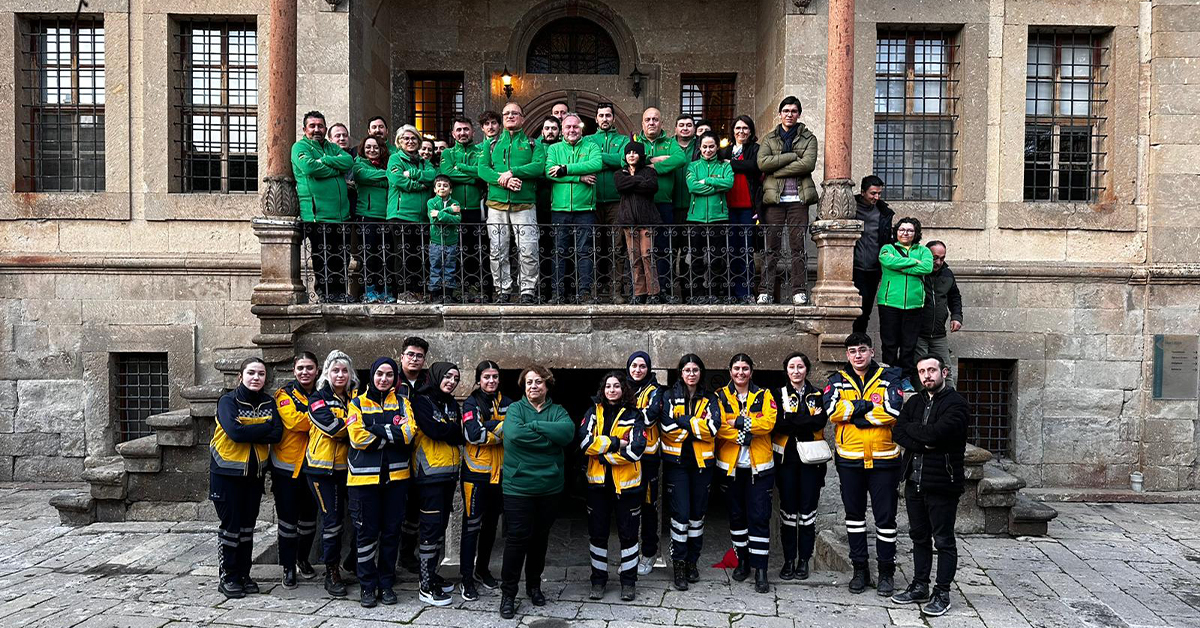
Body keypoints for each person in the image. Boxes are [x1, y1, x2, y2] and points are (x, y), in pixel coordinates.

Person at [823, 332, 904, 596]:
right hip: (850, 460)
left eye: (862, 350)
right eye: (853, 351)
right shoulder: (836, 380)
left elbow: (893, 411)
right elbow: (832, 411)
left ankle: (886, 573)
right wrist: (866, 406)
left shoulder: (889, 377)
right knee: (855, 518)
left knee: (886, 519)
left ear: (872, 351)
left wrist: (856, 415)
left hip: (884, 460)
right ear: (847, 355)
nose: (858, 355)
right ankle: (860, 570)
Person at [891, 355, 970, 617]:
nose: (927, 375)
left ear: (943, 372)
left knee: (943, 540)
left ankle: (942, 592)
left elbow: (938, 434)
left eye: (931, 370)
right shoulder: (915, 402)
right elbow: (898, 432)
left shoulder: (956, 404)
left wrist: (919, 434)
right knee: (919, 537)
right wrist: (923, 441)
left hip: (942, 483)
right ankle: (919, 586)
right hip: (914, 481)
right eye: (922, 371)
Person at [498, 365, 576, 619]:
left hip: (549, 487)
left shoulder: (558, 411)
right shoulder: (515, 410)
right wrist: (549, 437)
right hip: (518, 487)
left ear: (547, 385)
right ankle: (508, 593)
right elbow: (513, 435)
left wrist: (534, 426)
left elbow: (567, 433)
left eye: (539, 381)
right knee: (517, 539)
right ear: (523, 386)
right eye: (529, 382)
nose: (534, 386)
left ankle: (534, 586)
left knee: (540, 539)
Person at [210, 357, 283, 599]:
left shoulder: (268, 402)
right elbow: (235, 433)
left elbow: (277, 434)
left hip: (254, 476)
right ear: (240, 377)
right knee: (231, 528)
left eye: (261, 374)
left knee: (246, 529)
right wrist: (264, 427)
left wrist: (248, 428)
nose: (256, 378)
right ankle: (228, 577)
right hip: (226, 475)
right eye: (251, 373)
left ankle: (243, 574)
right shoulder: (228, 401)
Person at [346, 357, 415, 608]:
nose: (384, 379)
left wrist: (375, 428)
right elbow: (357, 438)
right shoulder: (357, 403)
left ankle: (386, 583)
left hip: (396, 479)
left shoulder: (403, 403)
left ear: (395, 378)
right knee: (366, 534)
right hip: (363, 480)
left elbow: (409, 434)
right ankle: (367, 585)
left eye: (389, 375)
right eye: (379, 374)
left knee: (391, 533)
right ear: (372, 375)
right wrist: (392, 433)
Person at [579, 372, 647, 601]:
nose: (611, 390)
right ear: (603, 389)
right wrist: (616, 442)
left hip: (627, 487)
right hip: (597, 486)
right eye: (608, 386)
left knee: (629, 536)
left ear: (623, 389)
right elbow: (584, 442)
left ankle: (629, 582)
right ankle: (598, 581)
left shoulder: (635, 415)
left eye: (616, 386)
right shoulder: (592, 412)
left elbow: (636, 450)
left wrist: (603, 456)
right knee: (598, 535)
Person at [715, 354, 778, 593]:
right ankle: (743, 561)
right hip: (730, 469)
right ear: (730, 371)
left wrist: (739, 422)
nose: (740, 372)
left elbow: (769, 423)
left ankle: (761, 569)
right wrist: (747, 432)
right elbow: (719, 426)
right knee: (737, 517)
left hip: (759, 469)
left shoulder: (764, 394)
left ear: (752, 371)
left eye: (745, 368)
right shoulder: (720, 395)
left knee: (759, 517)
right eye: (736, 368)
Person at [658, 354, 717, 591]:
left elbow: (713, 428)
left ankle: (693, 562)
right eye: (687, 370)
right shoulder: (669, 396)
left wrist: (684, 421)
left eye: (695, 370)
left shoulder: (710, 398)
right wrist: (696, 426)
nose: (691, 374)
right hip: (677, 465)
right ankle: (679, 565)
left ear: (701, 373)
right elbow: (666, 427)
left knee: (697, 516)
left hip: (702, 465)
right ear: (680, 373)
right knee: (680, 516)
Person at [304, 350, 359, 599]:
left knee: (362, 517)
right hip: (322, 470)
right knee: (332, 522)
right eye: (335, 370)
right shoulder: (317, 398)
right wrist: (357, 427)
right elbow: (332, 428)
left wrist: (358, 426)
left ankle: (353, 561)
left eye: (344, 370)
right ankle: (332, 572)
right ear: (327, 373)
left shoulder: (355, 398)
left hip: (349, 469)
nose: (340, 375)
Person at [479, 102, 546, 304]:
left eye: (514, 113)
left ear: (522, 118)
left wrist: (513, 172)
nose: (510, 116)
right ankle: (503, 290)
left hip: (524, 205)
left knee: (528, 250)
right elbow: (482, 169)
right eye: (506, 113)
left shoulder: (534, 144)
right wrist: (505, 180)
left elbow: (539, 167)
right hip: (496, 205)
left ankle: (527, 290)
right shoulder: (490, 144)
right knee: (497, 251)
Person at [411, 362, 466, 606]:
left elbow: (459, 433)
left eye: (456, 378)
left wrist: (449, 430)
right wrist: (450, 430)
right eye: (448, 376)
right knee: (430, 529)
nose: (452, 382)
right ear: (436, 376)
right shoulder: (421, 401)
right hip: (429, 475)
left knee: (440, 526)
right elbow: (433, 430)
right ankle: (425, 585)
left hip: (448, 475)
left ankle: (432, 574)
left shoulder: (451, 403)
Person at [771, 352, 828, 581]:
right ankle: (788, 560)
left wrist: (793, 419)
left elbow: (821, 421)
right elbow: (778, 423)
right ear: (786, 370)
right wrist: (805, 420)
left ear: (807, 370)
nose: (796, 371)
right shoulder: (777, 394)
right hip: (786, 461)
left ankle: (804, 560)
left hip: (812, 462)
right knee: (788, 512)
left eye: (800, 367)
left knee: (807, 513)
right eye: (792, 367)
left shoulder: (818, 394)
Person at [757, 96, 818, 306]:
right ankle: (766, 291)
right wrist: (792, 156)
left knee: (797, 248)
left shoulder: (809, 138)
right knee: (770, 248)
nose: (789, 114)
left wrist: (778, 169)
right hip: (774, 200)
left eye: (793, 111)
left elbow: (808, 164)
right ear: (780, 114)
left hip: (798, 200)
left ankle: (799, 291)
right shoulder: (769, 138)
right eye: (786, 111)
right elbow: (763, 164)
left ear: (798, 114)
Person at [459, 360, 511, 600]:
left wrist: (489, 426)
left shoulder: (509, 402)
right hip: (475, 474)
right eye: (487, 377)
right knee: (472, 527)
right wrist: (501, 430)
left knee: (491, 525)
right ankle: (466, 578)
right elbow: (473, 434)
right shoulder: (471, 402)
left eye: (495, 377)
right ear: (478, 380)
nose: (491, 381)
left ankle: (482, 570)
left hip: (499, 475)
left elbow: (517, 430)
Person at [271, 353, 321, 589]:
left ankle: (302, 558)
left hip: (314, 467)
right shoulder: (284, 395)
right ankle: (288, 566)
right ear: (294, 371)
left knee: (309, 520)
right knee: (288, 522)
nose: (305, 372)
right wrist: (322, 418)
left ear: (317, 370)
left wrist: (312, 415)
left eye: (309, 368)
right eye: (300, 368)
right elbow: (294, 422)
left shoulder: (323, 393)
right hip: (287, 469)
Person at [292, 110, 353, 303]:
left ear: (325, 129)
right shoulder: (299, 147)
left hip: (341, 215)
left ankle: (341, 293)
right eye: (312, 126)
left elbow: (348, 161)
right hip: (317, 215)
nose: (316, 129)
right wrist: (336, 170)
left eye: (320, 126)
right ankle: (326, 294)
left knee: (341, 257)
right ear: (304, 129)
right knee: (323, 257)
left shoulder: (331, 147)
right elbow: (309, 167)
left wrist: (325, 160)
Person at [545, 112, 603, 304]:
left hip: (585, 209)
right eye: (568, 127)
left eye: (575, 126)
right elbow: (549, 173)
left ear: (581, 129)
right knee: (559, 252)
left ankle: (585, 292)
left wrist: (565, 169)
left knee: (584, 252)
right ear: (562, 130)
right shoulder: (554, 148)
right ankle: (558, 294)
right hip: (559, 209)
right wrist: (579, 177)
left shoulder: (591, 146)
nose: (572, 130)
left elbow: (596, 164)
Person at [635, 107, 688, 303]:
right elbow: (624, 161)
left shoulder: (670, 143)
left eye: (655, 119)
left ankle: (662, 290)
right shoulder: (635, 143)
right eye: (648, 119)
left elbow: (680, 159)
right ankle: (642, 292)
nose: (651, 122)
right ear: (642, 123)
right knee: (640, 251)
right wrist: (649, 159)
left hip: (664, 204)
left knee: (664, 249)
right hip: (640, 205)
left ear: (661, 123)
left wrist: (652, 167)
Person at [878, 217, 933, 386]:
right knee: (890, 343)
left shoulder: (924, 251)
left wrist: (900, 267)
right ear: (896, 231)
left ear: (916, 233)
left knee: (909, 345)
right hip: (889, 303)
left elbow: (927, 267)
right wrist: (913, 262)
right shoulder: (887, 248)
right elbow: (887, 261)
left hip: (914, 304)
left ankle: (905, 378)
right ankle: (889, 377)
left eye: (910, 230)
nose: (905, 233)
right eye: (902, 230)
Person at [586, 103, 630, 302]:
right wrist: (606, 161)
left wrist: (597, 159)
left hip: (616, 201)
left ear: (613, 118)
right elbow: (586, 163)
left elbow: (623, 161)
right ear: (596, 119)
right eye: (601, 115)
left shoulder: (623, 140)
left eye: (608, 115)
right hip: (591, 200)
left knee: (616, 247)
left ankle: (616, 291)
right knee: (592, 247)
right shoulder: (587, 140)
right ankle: (593, 290)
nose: (605, 119)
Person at [387, 125, 437, 303]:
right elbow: (398, 180)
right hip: (401, 215)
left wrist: (414, 174)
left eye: (414, 138)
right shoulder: (395, 158)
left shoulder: (424, 161)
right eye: (406, 138)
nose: (410, 141)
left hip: (421, 217)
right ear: (399, 142)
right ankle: (403, 292)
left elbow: (433, 176)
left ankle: (417, 291)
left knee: (418, 255)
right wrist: (419, 185)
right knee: (403, 255)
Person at [441, 117, 488, 301]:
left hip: (476, 209)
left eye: (466, 129)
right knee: (455, 250)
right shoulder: (447, 153)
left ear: (473, 132)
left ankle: (474, 288)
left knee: (475, 251)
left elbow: (482, 174)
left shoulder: (481, 151)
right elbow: (447, 174)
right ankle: (456, 289)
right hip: (454, 209)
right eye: (459, 130)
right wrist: (473, 177)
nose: (462, 133)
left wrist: (460, 167)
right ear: (453, 134)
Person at [684, 132, 734, 303]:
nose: (708, 150)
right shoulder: (693, 166)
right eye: (704, 147)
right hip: (695, 218)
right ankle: (698, 293)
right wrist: (716, 185)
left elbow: (729, 183)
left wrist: (707, 181)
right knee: (696, 258)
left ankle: (715, 292)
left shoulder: (724, 166)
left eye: (711, 146)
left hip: (718, 217)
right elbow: (692, 187)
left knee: (717, 258)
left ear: (717, 147)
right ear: (699, 147)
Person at [626, 351, 663, 576]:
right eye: (634, 366)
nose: (638, 370)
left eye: (642, 366)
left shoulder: (655, 390)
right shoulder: (621, 386)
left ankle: (649, 554)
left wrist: (627, 415)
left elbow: (649, 417)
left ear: (648, 369)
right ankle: (630, 556)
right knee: (627, 509)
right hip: (625, 458)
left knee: (649, 508)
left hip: (648, 459)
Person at [395, 337, 431, 575]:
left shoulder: (430, 381)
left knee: (414, 509)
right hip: (396, 451)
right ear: (402, 357)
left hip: (422, 452)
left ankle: (407, 555)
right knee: (391, 509)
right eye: (410, 354)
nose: (414, 359)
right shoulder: (391, 378)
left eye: (419, 356)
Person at [721, 115, 763, 303]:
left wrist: (731, 163)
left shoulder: (755, 149)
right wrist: (737, 164)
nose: (741, 132)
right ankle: (730, 292)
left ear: (751, 131)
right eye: (738, 128)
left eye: (745, 128)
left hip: (748, 208)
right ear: (733, 131)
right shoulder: (725, 151)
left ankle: (745, 292)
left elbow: (754, 166)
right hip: (728, 208)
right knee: (729, 251)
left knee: (746, 251)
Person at [614, 141, 661, 304]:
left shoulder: (649, 171)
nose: (631, 155)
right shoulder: (620, 173)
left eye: (635, 152)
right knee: (634, 258)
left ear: (641, 155)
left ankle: (653, 292)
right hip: (628, 221)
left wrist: (632, 181)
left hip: (646, 220)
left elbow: (652, 187)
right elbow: (620, 186)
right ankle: (639, 293)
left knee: (647, 255)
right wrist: (638, 181)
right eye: (628, 152)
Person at [352, 135, 392, 303]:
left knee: (386, 255)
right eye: (368, 147)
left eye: (375, 147)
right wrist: (386, 175)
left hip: (386, 216)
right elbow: (362, 177)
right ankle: (369, 290)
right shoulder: (358, 163)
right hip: (367, 215)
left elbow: (391, 182)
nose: (372, 150)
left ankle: (385, 290)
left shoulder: (388, 163)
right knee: (369, 255)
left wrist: (376, 178)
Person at [852, 175, 895, 332]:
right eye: (873, 193)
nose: (876, 197)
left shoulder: (883, 212)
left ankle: (860, 338)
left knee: (866, 309)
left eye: (879, 193)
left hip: (874, 269)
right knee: (853, 308)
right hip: (853, 268)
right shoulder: (851, 208)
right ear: (863, 192)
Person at [916, 241, 963, 372]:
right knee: (920, 371)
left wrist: (957, 317)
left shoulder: (947, 273)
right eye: (934, 258)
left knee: (945, 370)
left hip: (939, 333)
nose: (938, 262)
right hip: (918, 333)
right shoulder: (917, 272)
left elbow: (955, 297)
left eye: (942, 258)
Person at [426, 174, 463, 302]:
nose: (442, 188)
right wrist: (450, 211)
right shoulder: (431, 202)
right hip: (436, 241)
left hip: (451, 241)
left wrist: (440, 213)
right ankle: (435, 294)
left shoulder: (455, 203)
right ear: (435, 189)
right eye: (439, 185)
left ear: (450, 190)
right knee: (435, 267)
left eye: (445, 186)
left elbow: (457, 220)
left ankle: (448, 294)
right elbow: (434, 220)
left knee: (450, 267)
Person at [671, 115, 699, 227]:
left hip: (696, 204)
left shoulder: (701, 146)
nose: (685, 128)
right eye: (681, 125)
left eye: (689, 125)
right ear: (675, 129)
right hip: (671, 204)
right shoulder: (668, 145)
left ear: (694, 128)